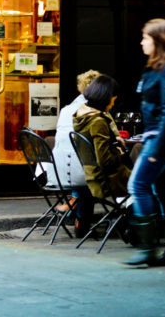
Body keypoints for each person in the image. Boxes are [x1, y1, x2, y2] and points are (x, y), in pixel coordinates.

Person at [125, 19, 165, 267]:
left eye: (146, 38)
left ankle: (147, 247)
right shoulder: (159, 68)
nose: (141, 42)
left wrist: (157, 146)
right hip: (163, 137)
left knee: (137, 186)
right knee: (163, 192)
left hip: (159, 138)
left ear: (157, 41)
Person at [46, 69, 101, 236]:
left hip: (57, 172)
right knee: (95, 170)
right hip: (81, 175)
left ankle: (75, 201)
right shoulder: (94, 113)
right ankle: (82, 224)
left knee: (84, 164)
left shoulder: (65, 110)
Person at [73, 75, 132, 201]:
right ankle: (137, 217)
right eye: (113, 100)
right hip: (108, 180)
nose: (112, 104)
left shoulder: (81, 116)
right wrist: (118, 151)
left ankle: (129, 211)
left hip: (93, 177)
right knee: (146, 181)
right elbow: (104, 161)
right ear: (106, 98)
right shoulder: (98, 121)